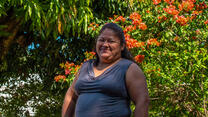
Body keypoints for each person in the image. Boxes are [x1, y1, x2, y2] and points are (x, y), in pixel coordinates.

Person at [62, 23, 149, 117]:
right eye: (101, 40)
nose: (105, 44)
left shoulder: (129, 68)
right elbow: (71, 96)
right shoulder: (86, 66)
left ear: (122, 46)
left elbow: (142, 101)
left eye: (111, 41)